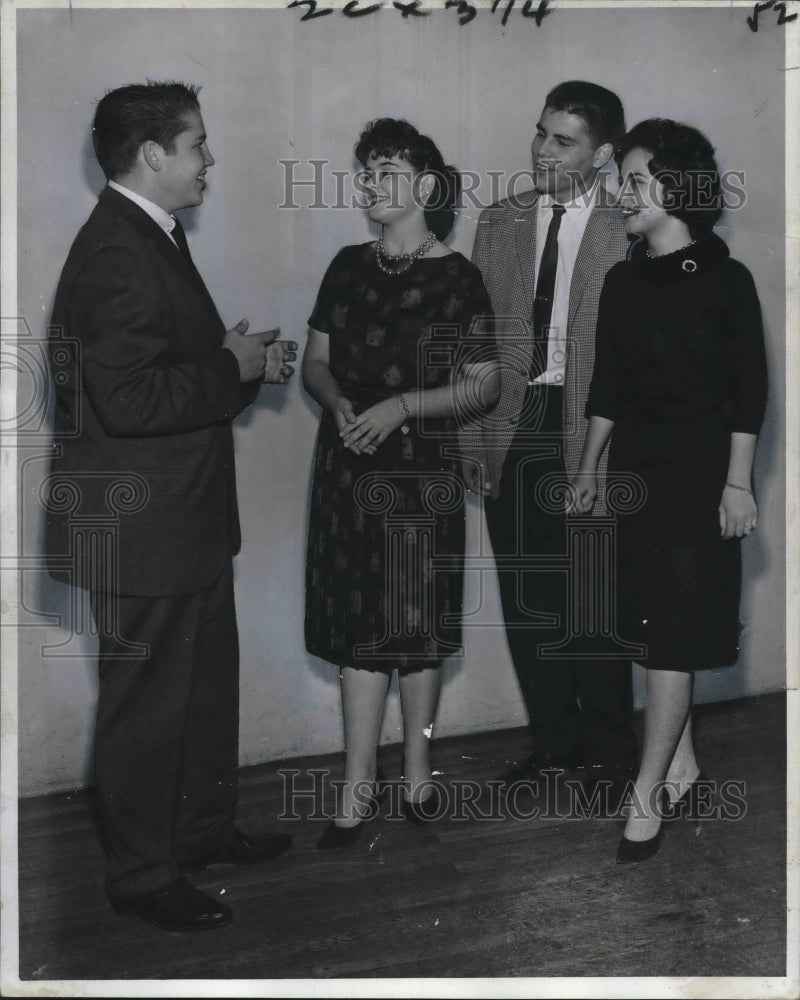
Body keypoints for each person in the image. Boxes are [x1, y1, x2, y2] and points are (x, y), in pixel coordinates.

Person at [45, 81, 297, 930]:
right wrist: (231, 368)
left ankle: (197, 830)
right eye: (196, 144)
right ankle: (144, 876)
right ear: (153, 156)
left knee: (197, 686)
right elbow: (130, 402)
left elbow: (157, 364)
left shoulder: (146, 233)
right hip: (143, 526)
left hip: (175, 519)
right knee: (148, 703)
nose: (208, 160)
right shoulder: (118, 249)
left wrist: (235, 356)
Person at [573, 119, 767, 862]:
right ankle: (679, 765)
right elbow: (609, 386)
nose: (621, 192)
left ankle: (646, 792)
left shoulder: (728, 279)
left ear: (678, 188)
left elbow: (751, 394)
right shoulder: (624, 280)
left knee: (672, 641)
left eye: (636, 179)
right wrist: (590, 469)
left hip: (701, 479)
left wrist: (738, 484)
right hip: (637, 478)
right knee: (651, 631)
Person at [302, 118, 499, 848]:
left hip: (421, 470)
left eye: (384, 170)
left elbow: (485, 383)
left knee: (415, 627)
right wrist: (339, 402)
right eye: (364, 172)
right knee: (359, 628)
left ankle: (417, 770)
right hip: (349, 465)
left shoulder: (458, 277)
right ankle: (358, 782)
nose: (369, 185)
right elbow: (315, 362)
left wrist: (404, 406)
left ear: (423, 183)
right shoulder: (346, 265)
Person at [461, 81, 638, 794]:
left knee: (592, 597)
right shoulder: (500, 222)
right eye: (539, 133)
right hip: (516, 419)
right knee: (529, 592)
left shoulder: (628, 227)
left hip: (595, 421)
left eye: (562, 141)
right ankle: (555, 744)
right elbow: (475, 342)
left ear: (602, 154)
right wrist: (474, 443)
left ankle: (610, 754)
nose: (541, 150)